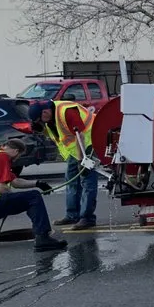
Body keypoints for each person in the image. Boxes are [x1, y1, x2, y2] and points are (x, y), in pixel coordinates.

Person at [0, 138, 67, 252]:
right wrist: (13, 198)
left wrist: (37, 183)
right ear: (16, 151)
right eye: (19, 156)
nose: (16, 159)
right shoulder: (3, 157)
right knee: (34, 197)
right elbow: (1, 188)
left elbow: (15, 181)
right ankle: (43, 238)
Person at [29, 98, 99, 230]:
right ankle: (72, 215)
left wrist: (81, 160)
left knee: (87, 180)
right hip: (75, 150)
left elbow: (81, 136)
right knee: (71, 180)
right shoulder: (49, 118)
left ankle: (87, 218)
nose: (40, 122)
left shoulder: (66, 112)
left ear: (45, 113)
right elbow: (59, 133)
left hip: (89, 144)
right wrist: (41, 129)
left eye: (39, 120)